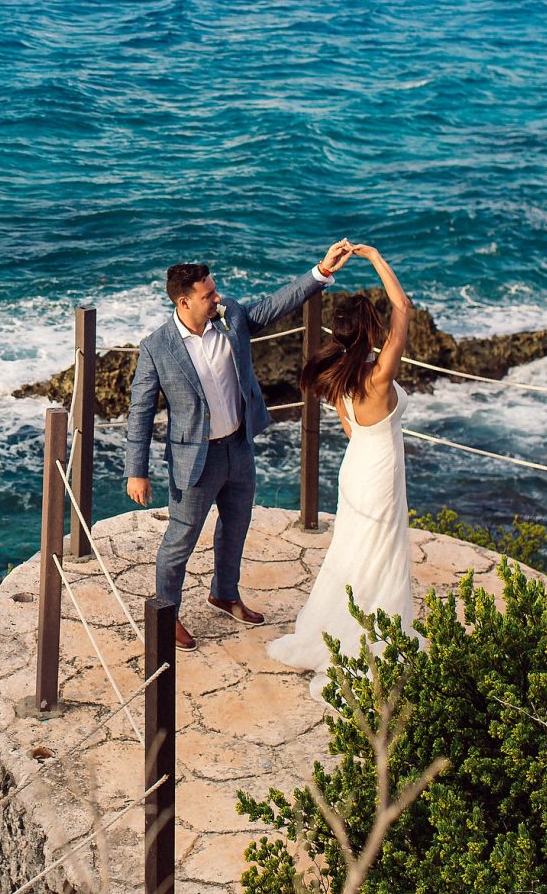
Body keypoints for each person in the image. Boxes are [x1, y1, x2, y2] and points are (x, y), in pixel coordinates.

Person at [126, 241, 357, 651]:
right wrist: (136, 472)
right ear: (184, 302)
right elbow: (140, 412)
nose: (218, 297)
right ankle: (166, 613)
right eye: (208, 294)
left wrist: (321, 270)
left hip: (239, 446)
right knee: (180, 540)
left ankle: (225, 593)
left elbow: (272, 306)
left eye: (215, 291)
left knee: (235, 528)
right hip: (195, 460)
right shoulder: (156, 348)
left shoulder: (230, 316)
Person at [265, 244, 414, 699]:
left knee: (353, 553)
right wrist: (373, 257)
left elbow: (352, 431)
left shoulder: (337, 378)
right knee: (384, 554)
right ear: (368, 334)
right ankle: (373, 641)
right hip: (381, 471)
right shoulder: (378, 376)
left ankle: (336, 630)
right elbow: (403, 307)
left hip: (357, 470)